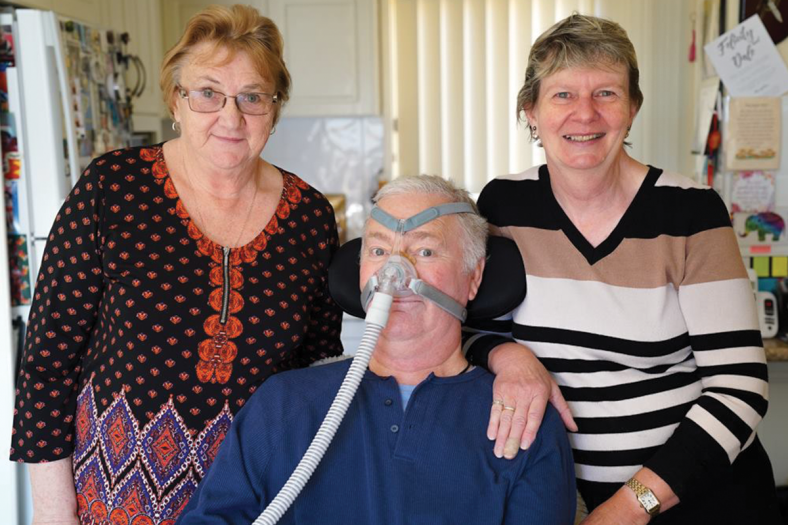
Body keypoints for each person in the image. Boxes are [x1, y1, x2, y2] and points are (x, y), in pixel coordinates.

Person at [10, 5, 343, 524]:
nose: (230, 117)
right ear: (176, 100)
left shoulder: (310, 217)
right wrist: (56, 517)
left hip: (262, 502)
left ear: (274, 111)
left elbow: (319, 375)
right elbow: (47, 367)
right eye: (208, 93)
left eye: (252, 97)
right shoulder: (112, 189)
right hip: (116, 501)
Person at [463, 13, 783, 525]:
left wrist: (630, 508)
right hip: (561, 495)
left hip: (699, 498)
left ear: (632, 108)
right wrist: (509, 355)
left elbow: (739, 385)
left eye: (606, 94)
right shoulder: (505, 204)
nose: (584, 114)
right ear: (531, 111)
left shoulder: (690, 211)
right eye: (562, 95)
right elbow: (473, 330)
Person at [176, 175, 577, 524]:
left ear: (473, 279)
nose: (394, 273)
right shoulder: (284, 404)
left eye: (425, 251)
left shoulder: (522, 421)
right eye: (379, 251)